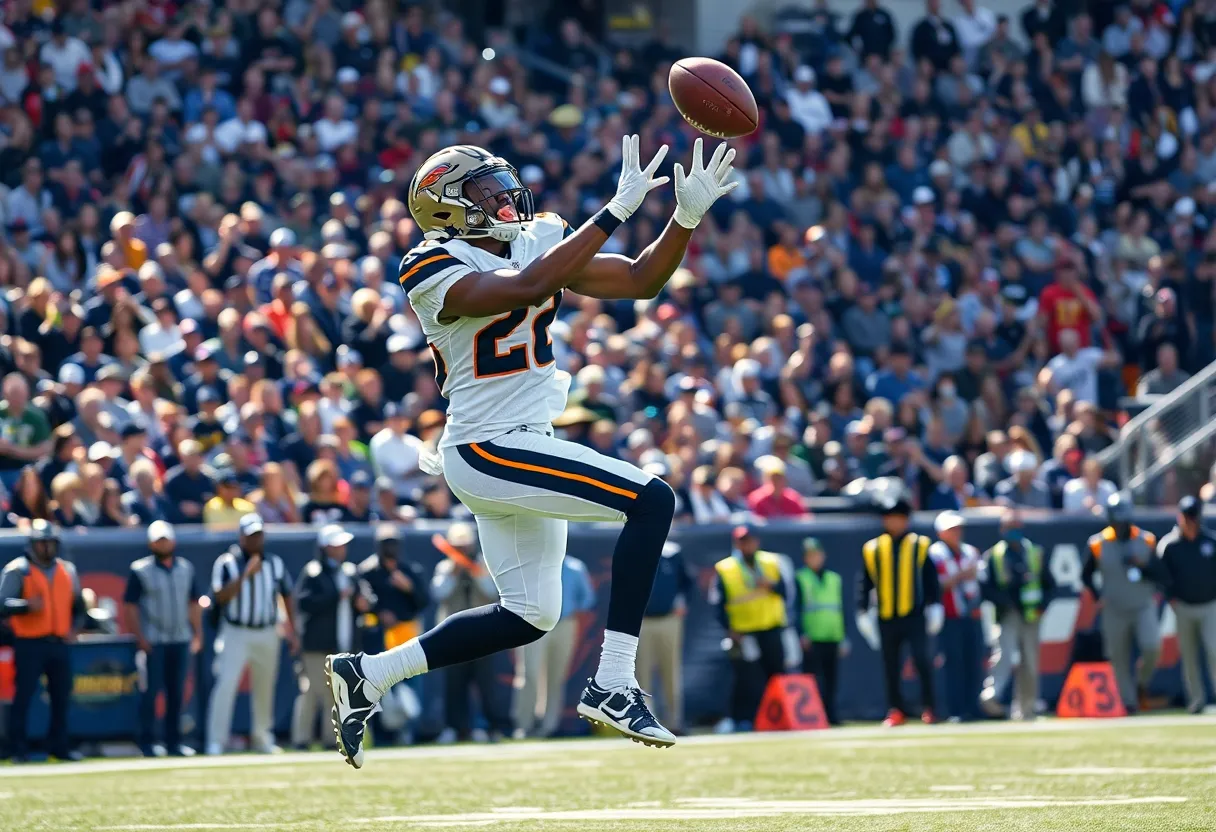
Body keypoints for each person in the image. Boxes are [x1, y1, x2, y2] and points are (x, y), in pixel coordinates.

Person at [326, 135, 739, 766]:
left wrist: (684, 218)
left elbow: (639, 279)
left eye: (501, 184)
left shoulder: (538, 236)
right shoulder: (429, 264)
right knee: (652, 500)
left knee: (529, 615)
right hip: (487, 446)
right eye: (482, 190)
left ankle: (370, 674)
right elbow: (525, 287)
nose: (503, 197)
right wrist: (614, 212)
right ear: (446, 207)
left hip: (522, 443)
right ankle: (614, 681)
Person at [206, 513, 299, 755]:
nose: (255, 540)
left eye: (258, 535)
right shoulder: (227, 563)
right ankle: (216, 740)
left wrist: (292, 629)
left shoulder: (275, 563)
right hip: (236, 632)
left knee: (265, 687)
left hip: (267, 631)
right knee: (226, 684)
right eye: (251, 536)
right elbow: (220, 596)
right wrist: (245, 575)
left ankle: (262, 737)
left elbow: (287, 594)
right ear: (241, 537)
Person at [0, 520, 85, 761]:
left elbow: (79, 607)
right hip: (29, 642)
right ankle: (18, 748)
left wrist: (74, 628)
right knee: (24, 696)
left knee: (61, 697)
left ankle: (59, 746)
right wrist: (26, 606)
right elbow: (2, 604)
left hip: (59, 641)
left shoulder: (67, 570)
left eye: (50, 543)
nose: (46, 547)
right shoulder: (18, 570)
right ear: (32, 544)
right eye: (41, 543)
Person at [856, 494, 942, 727]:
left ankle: (929, 707)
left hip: (914, 614)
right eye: (890, 517)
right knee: (890, 665)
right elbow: (865, 582)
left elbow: (930, 578)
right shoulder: (873, 548)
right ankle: (896, 709)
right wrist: (862, 610)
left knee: (922, 660)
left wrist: (935, 604)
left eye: (898, 517)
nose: (893, 522)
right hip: (886, 615)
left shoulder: (919, 545)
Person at [123, 520, 203, 756]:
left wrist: (197, 633)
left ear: (173, 542)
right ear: (151, 544)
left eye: (166, 540)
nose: (163, 544)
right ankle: (146, 742)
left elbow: (193, 603)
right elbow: (130, 606)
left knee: (176, 694)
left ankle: (173, 743)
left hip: (180, 637)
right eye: (158, 541)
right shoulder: (140, 570)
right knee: (150, 693)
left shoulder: (186, 568)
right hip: (154, 640)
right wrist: (140, 637)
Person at [1083, 492, 1168, 712]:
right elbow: (1086, 575)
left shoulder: (1147, 540)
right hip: (1114, 607)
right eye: (1115, 522)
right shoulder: (1098, 543)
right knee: (1118, 658)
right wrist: (1098, 596)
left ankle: (1141, 683)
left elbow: (1162, 574)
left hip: (1142, 604)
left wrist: (1142, 566)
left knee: (1152, 647)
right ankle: (1129, 703)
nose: (1119, 526)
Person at [429, 522, 513, 743]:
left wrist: (475, 571)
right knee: (454, 684)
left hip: (483, 635)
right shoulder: (444, 568)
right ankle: (455, 728)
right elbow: (439, 593)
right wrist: (454, 572)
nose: (462, 550)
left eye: (465, 545)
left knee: (486, 684)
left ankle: (492, 728)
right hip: (453, 637)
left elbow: (492, 592)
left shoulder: (484, 564)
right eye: (458, 546)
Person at [292, 524, 369, 749]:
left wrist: (363, 602)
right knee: (312, 691)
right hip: (317, 645)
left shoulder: (350, 571)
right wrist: (336, 596)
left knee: (337, 694)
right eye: (336, 545)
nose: (342, 549)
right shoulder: (313, 572)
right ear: (325, 548)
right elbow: (305, 603)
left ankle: (331, 740)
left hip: (344, 643)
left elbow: (365, 598)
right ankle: (301, 739)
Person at [710, 525, 788, 733]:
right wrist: (729, 629)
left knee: (776, 675)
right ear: (736, 544)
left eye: (750, 540)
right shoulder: (726, 568)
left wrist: (770, 585)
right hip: (744, 633)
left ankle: (779, 717)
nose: (747, 545)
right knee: (747, 679)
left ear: (757, 541)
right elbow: (717, 604)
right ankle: (745, 720)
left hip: (771, 627)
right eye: (742, 541)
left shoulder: (771, 562)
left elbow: (786, 592)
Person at [981, 508, 1053, 720]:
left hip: (1031, 615)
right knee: (1003, 656)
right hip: (1008, 614)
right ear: (1002, 529)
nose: (1012, 531)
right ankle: (992, 697)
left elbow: (1050, 584)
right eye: (1008, 527)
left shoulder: (1035, 552)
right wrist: (1007, 601)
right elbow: (986, 589)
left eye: (1015, 526)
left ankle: (1026, 709)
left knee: (1030, 661)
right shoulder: (994, 555)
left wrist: (1042, 605)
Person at [515, 555, 595, 738]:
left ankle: (548, 726)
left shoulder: (576, 567)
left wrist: (571, 608)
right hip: (533, 622)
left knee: (556, 678)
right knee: (529, 674)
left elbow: (587, 598)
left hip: (564, 624)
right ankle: (523, 725)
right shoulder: (531, 564)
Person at [1157, 497, 1216, 714]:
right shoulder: (1169, 545)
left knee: (1214, 651)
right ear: (1180, 518)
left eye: (1193, 517)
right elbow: (1162, 576)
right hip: (1183, 607)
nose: (1191, 522)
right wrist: (1171, 598)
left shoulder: (1211, 541)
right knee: (1189, 656)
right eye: (1187, 517)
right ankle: (1196, 700)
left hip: (1210, 605)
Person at [637, 540, 694, 734]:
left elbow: (687, 583)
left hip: (669, 619)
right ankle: (645, 723)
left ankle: (674, 721)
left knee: (671, 670)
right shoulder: (634, 548)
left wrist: (682, 601)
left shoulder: (672, 553)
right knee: (641, 673)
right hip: (641, 620)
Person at [793, 537, 847, 726]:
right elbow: (797, 608)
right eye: (810, 555)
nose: (815, 558)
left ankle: (831, 715)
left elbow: (840, 609)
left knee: (832, 679)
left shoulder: (834, 579)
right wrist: (802, 633)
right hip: (812, 636)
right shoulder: (800, 578)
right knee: (813, 679)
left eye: (817, 554)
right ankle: (814, 715)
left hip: (832, 635)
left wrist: (842, 637)